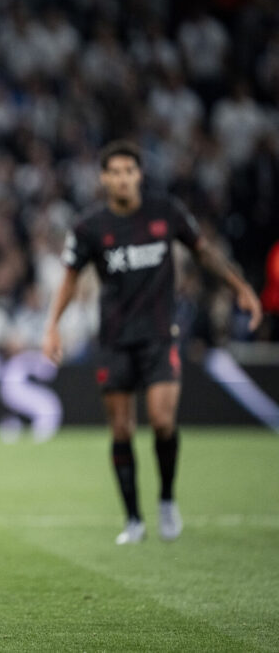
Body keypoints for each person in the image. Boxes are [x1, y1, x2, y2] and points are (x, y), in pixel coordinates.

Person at [43, 140, 262, 545]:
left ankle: (165, 499)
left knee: (162, 421)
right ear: (104, 178)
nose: (124, 178)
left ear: (139, 175)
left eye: (130, 170)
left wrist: (241, 287)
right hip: (113, 340)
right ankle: (133, 519)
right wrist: (52, 325)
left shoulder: (166, 212)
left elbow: (204, 252)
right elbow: (71, 276)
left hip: (159, 336)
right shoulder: (90, 226)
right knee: (122, 429)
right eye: (116, 172)